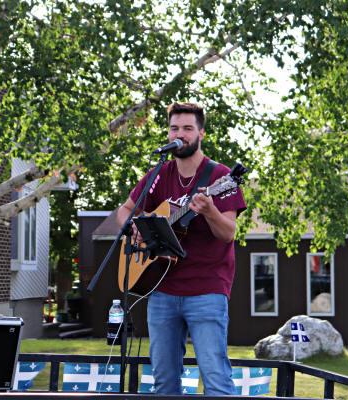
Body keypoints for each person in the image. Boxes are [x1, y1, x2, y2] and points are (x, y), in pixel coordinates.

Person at [116, 102, 246, 395]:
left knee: (215, 377)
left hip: (207, 289)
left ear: (201, 133)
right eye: (175, 128)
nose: (180, 134)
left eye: (188, 128)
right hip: (162, 289)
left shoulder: (220, 177)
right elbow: (124, 210)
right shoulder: (159, 173)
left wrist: (210, 211)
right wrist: (134, 226)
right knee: (163, 380)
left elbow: (228, 234)